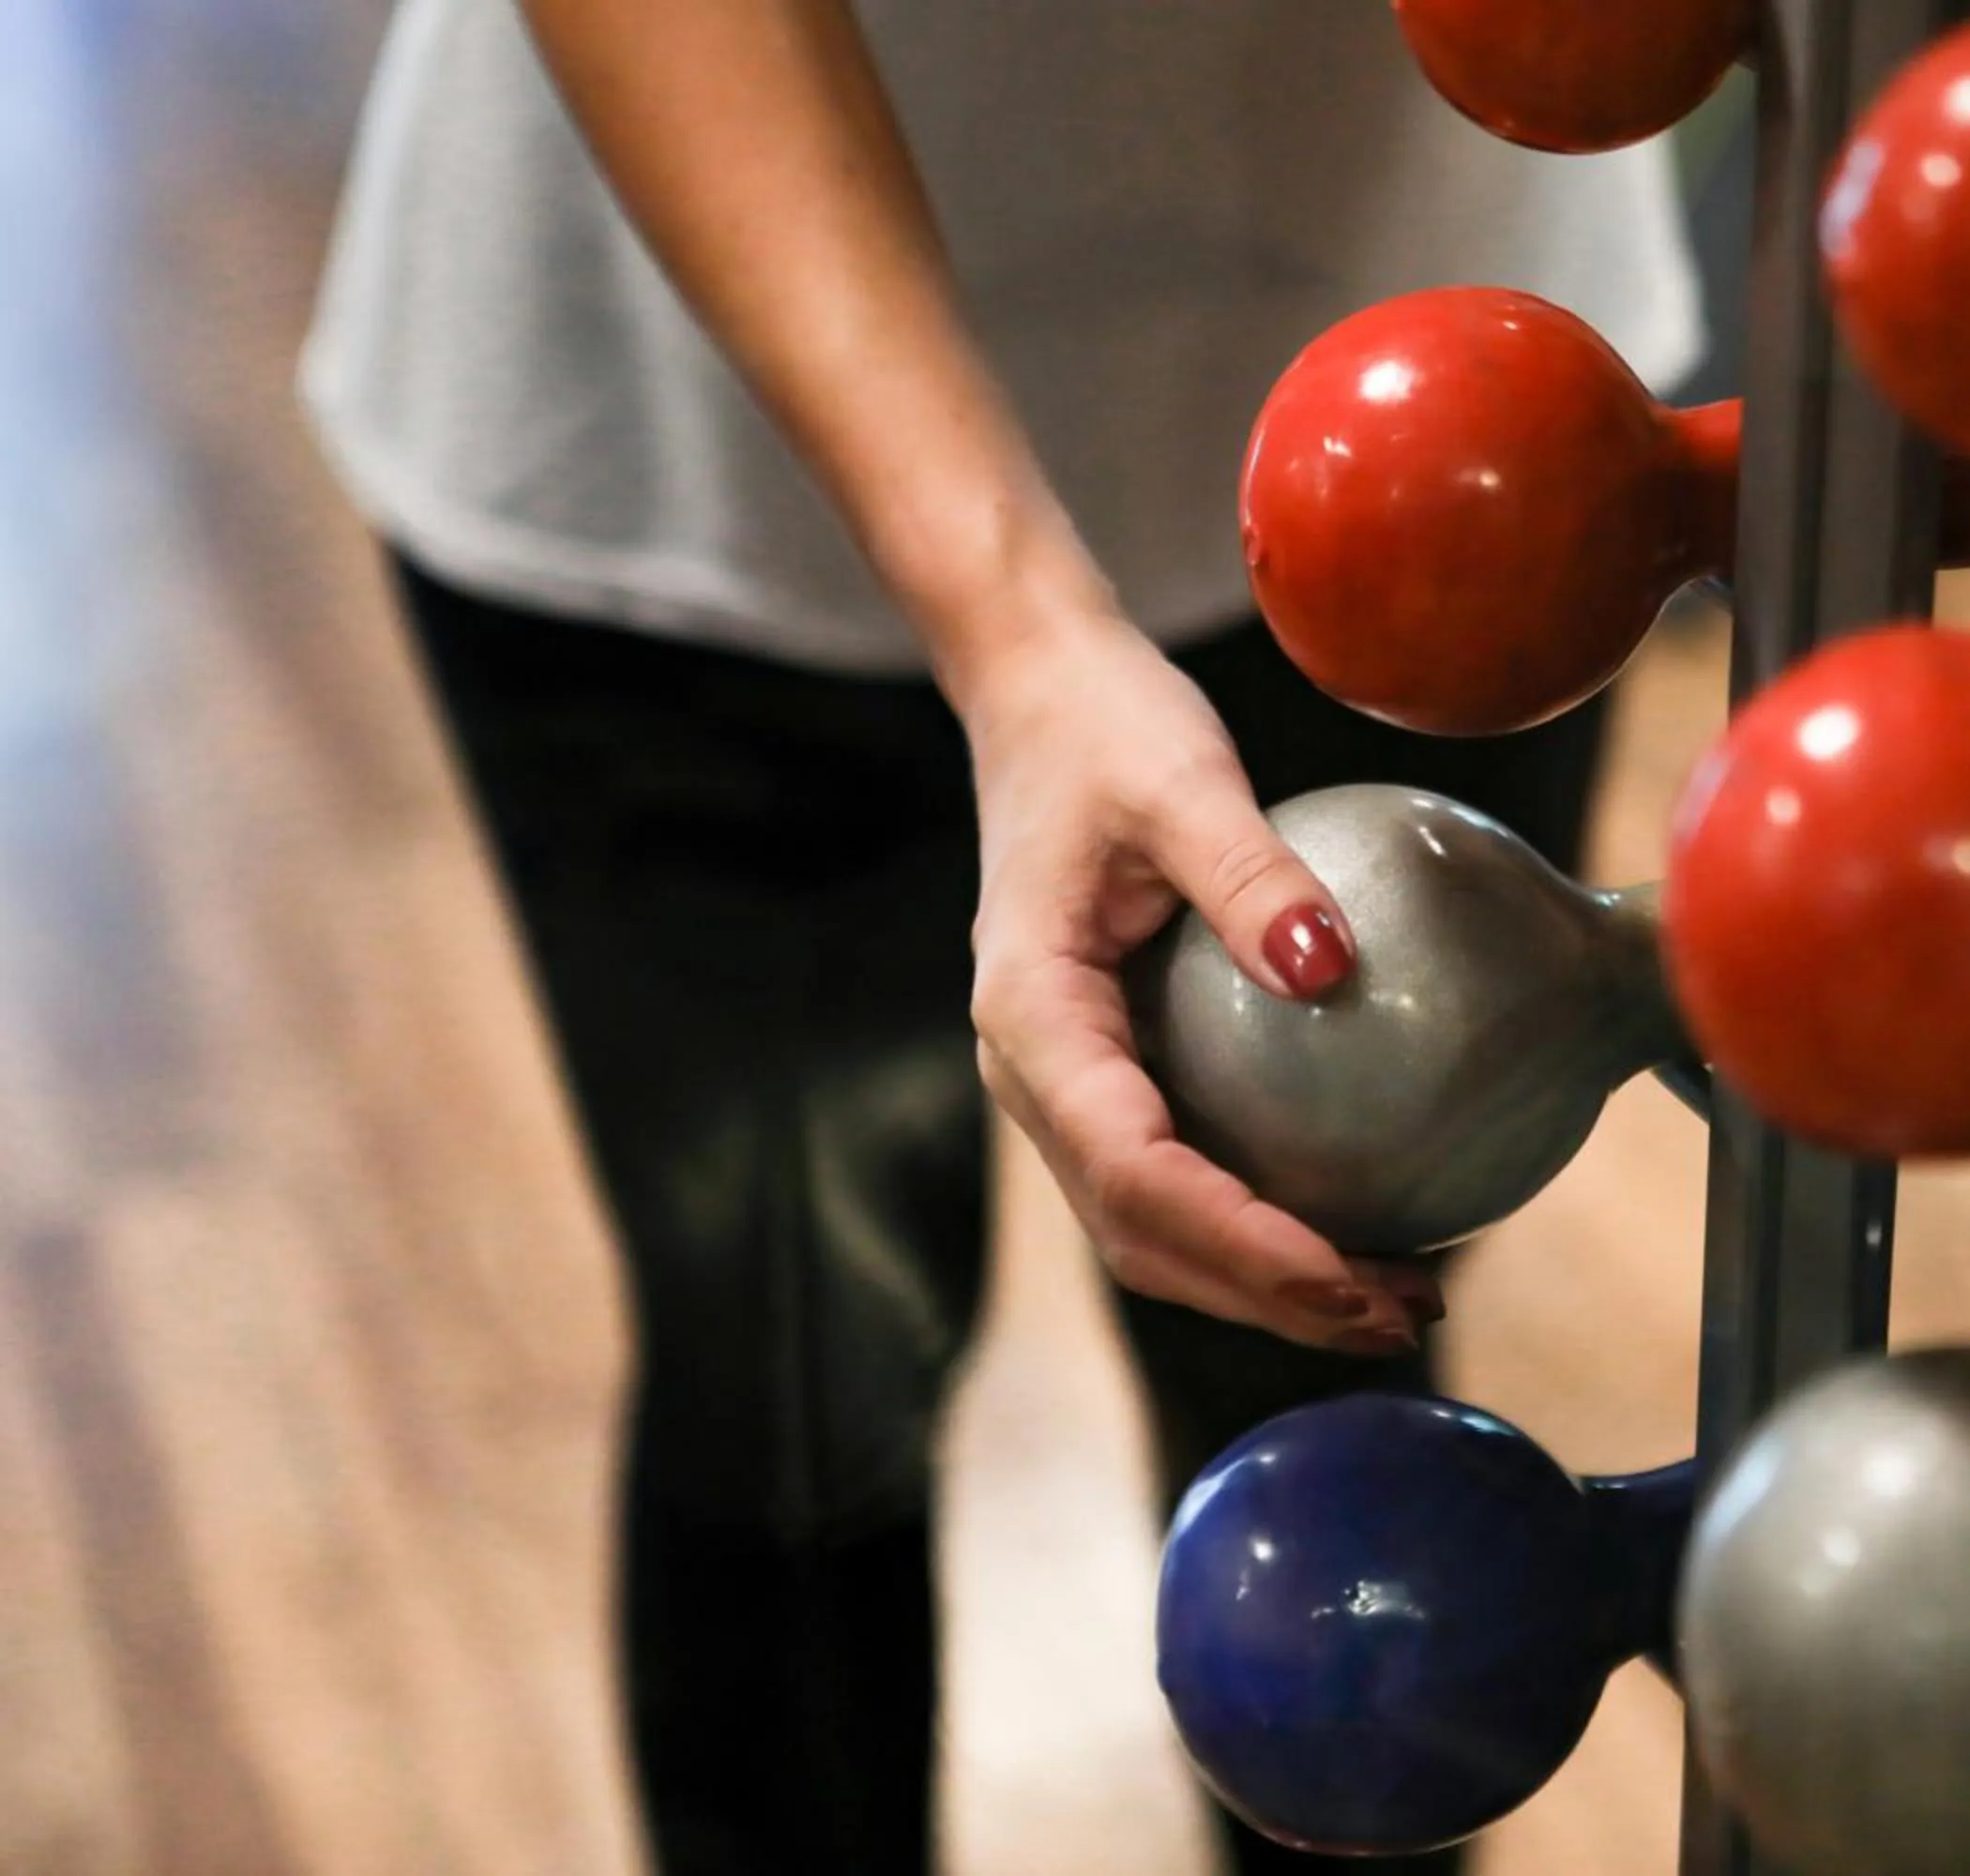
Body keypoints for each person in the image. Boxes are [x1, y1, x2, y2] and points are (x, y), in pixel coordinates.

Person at [297, 3, 1706, 1871]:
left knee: (1325, 1360)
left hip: (1455, 439)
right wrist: (1017, 622)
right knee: (802, 1397)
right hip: (691, 450)